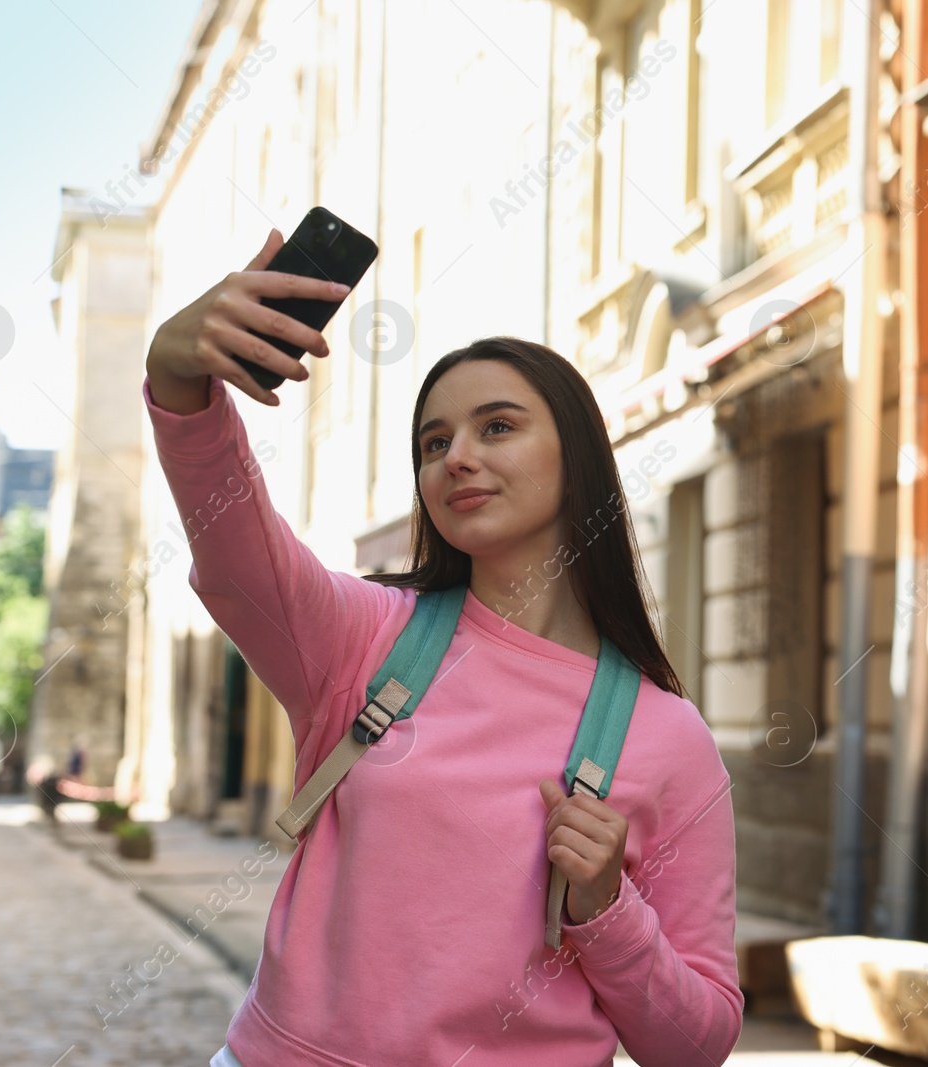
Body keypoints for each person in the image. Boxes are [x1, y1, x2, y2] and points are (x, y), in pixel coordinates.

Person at [145, 228, 742, 1067]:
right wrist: (179, 381)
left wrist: (606, 908)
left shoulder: (669, 737)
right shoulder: (364, 637)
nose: (458, 456)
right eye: (434, 442)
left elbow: (699, 1043)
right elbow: (238, 552)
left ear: (579, 456)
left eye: (497, 426)